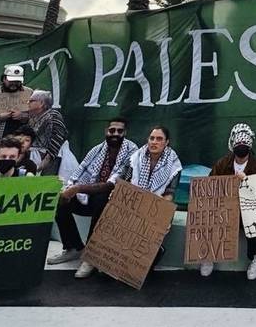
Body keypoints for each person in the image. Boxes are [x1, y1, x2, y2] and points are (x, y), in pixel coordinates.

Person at [46, 118, 138, 275]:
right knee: (60, 200)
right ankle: (74, 247)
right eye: (112, 130)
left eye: (119, 131)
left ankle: (91, 257)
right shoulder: (97, 149)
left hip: (116, 200)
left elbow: (113, 184)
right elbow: (79, 173)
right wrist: (68, 190)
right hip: (90, 196)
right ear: (106, 131)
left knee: (102, 199)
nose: (115, 134)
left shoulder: (132, 151)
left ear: (125, 133)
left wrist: (77, 188)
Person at [89, 125, 181, 279]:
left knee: (139, 271)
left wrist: (160, 214)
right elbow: (123, 183)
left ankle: (156, 251)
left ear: (167, 142)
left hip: (157, 204)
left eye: (159, 139)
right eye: (152, 138)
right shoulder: (135, 158)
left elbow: (169, 195)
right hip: (134, 202)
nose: (154, 142)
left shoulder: (174, 164)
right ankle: (96, 259)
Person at [203, 123, 256, 279]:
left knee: (254, 221)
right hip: (225, 208)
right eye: (238, 143)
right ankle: (208, 255)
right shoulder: (222, 163)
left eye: (244, 144)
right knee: (209, 217)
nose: (241, 146)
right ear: (232, 144)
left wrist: (247, 182)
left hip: (247, 210)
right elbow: (210, 184)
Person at [27, 90, 67, 175]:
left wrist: (47, 160)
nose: (28, 103)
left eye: (31, 101)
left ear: (41, 103)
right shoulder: (34, 118)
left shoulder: (53, 115)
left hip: (50, 159)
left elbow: (58, 138)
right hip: (36, 158)